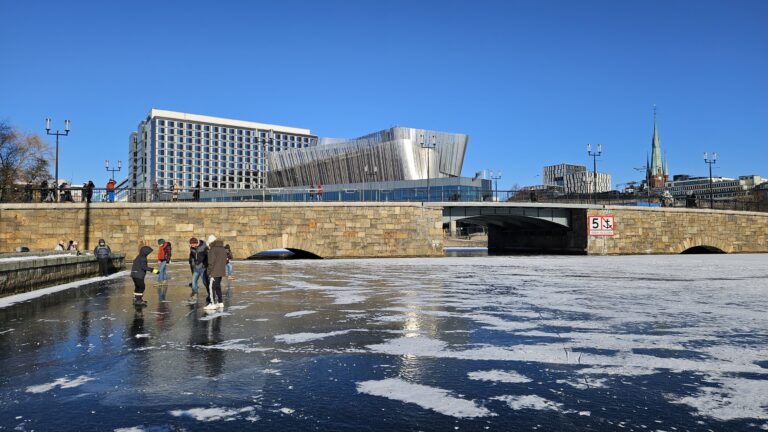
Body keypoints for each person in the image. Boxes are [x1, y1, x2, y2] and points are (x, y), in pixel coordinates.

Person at [205, 235, 227, 311]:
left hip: (214, 272)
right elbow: (225, 260)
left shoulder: (212, 249)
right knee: (217, 287)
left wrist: (208, 272)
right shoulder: (222, 248)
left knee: (211, 288)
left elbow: (211, 263)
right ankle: (220, 302)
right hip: (221, 271)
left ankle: (212, 304)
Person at [190, 238, 209, 304]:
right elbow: (192, 256)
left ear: (196, 243)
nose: (191, 245)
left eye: (192, 244)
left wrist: (205, 265)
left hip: (203, 268)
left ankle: (210, 294)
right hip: (196, 268)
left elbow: (208, 257)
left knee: (205, 282)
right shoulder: (192, 248)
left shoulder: (204, 247)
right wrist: (193, 264)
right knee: (193, 281)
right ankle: (195, 294)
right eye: (190, 244)